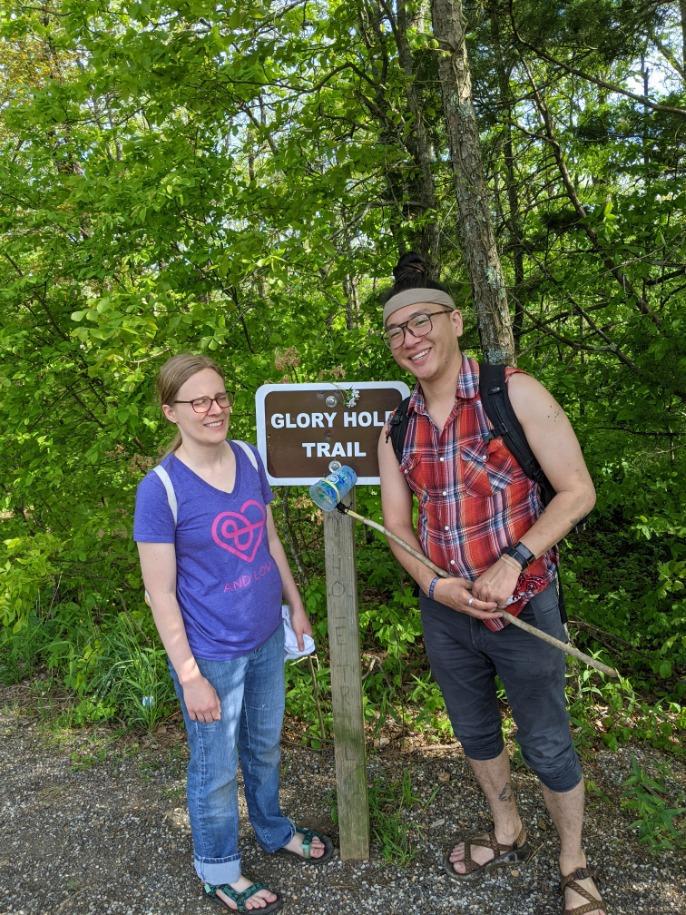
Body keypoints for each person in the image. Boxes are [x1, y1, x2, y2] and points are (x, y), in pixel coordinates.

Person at [377, 254, 605, 915]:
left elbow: (578, 490)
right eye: (395, 330)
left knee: (547, 740)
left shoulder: (515, 394)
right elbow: (397, 526)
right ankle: (507, 830)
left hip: (525, 608)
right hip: (448, 618)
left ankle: (573, 861)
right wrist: (435, 587)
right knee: (474, 730)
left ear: (453, 321)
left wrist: (513, 559)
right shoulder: (397, 427)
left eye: (421, 321)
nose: (410, 338)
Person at [134, 354, 334, 913]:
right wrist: (189, 676)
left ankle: (272, 829)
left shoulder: (248, 457)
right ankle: (219, 868)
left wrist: (295, 605)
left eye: (220, 397)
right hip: (210, 656)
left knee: (264, 746)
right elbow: (160, 594)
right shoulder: (161, 489)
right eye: (198, 401)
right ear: (171, 411)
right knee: (216, 767)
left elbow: (269, 542)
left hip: (266, 637)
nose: (214, 409)